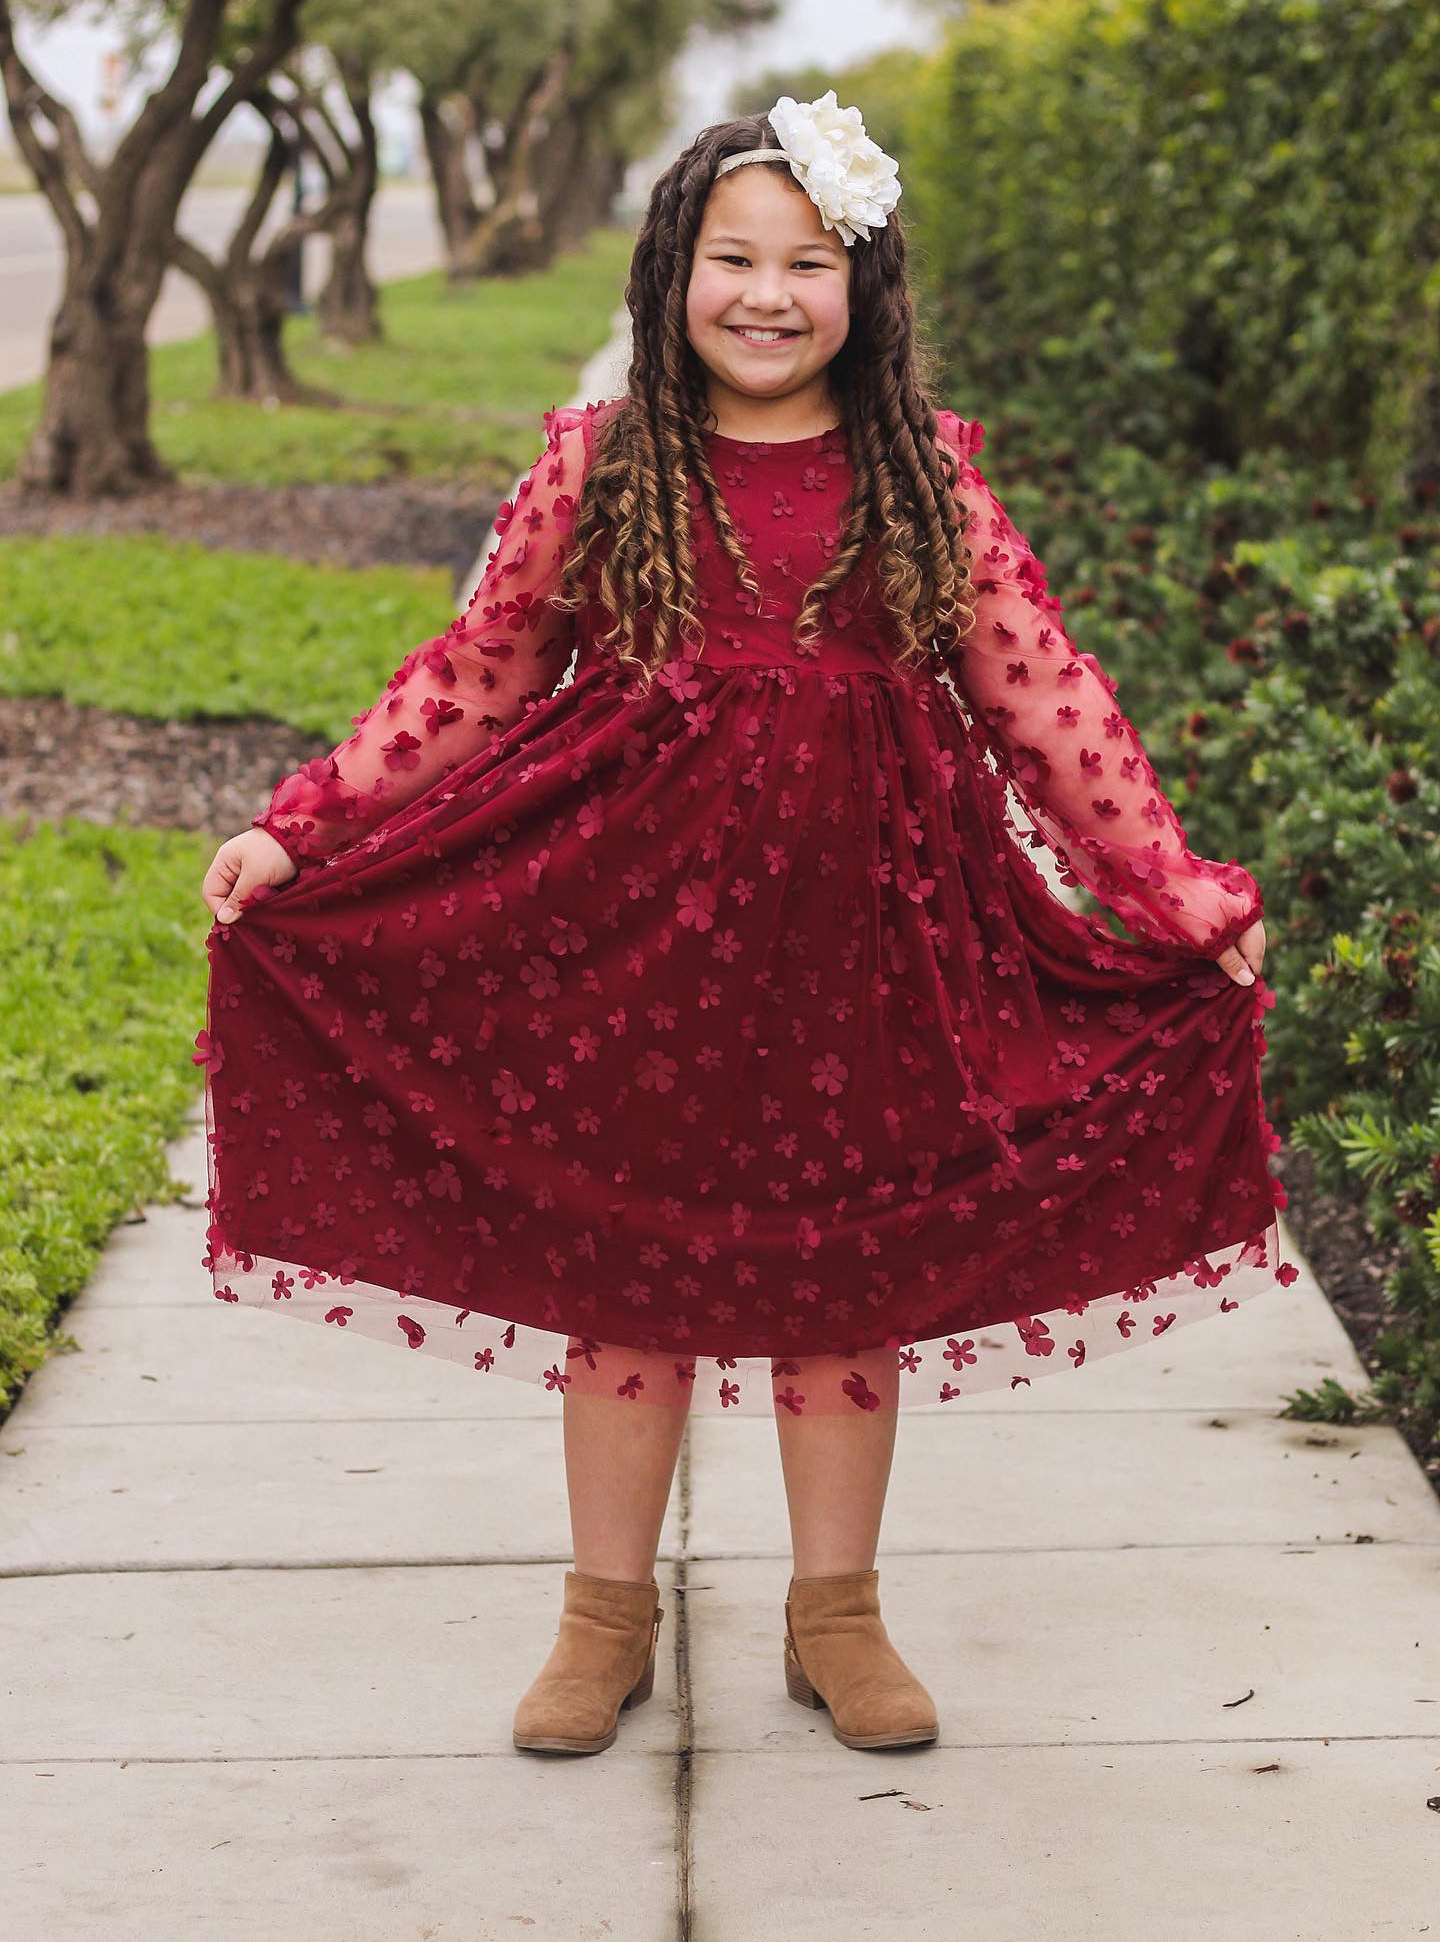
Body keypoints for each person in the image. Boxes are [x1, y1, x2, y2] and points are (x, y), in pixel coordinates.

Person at [198, 89, 1289, 1760]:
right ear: (671, 273)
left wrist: (1172, 888)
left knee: (845, 1277)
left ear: (866, 286)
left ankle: (834, 1612)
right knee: (627, 1271)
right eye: (732, 258)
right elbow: (480, 674)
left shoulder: (919, 475)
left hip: (871, 941)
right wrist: (303, 829)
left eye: (807, 262)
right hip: (630, 937)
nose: (767, 295)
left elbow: (1043, 699)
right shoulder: (608, 462)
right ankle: (603, 1615)